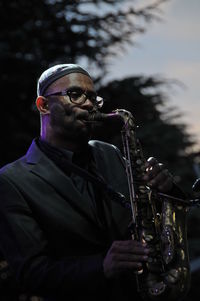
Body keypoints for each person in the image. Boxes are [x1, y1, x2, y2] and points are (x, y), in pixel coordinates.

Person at [0, 64, 185, 301]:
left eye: (92, 97)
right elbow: (31, 273)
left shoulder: (109, 153)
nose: (88, 104)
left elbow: (146, 215)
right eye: (75, 94)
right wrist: (101, 266)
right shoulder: (12, 181)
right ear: (43, 105)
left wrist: (164, 190)